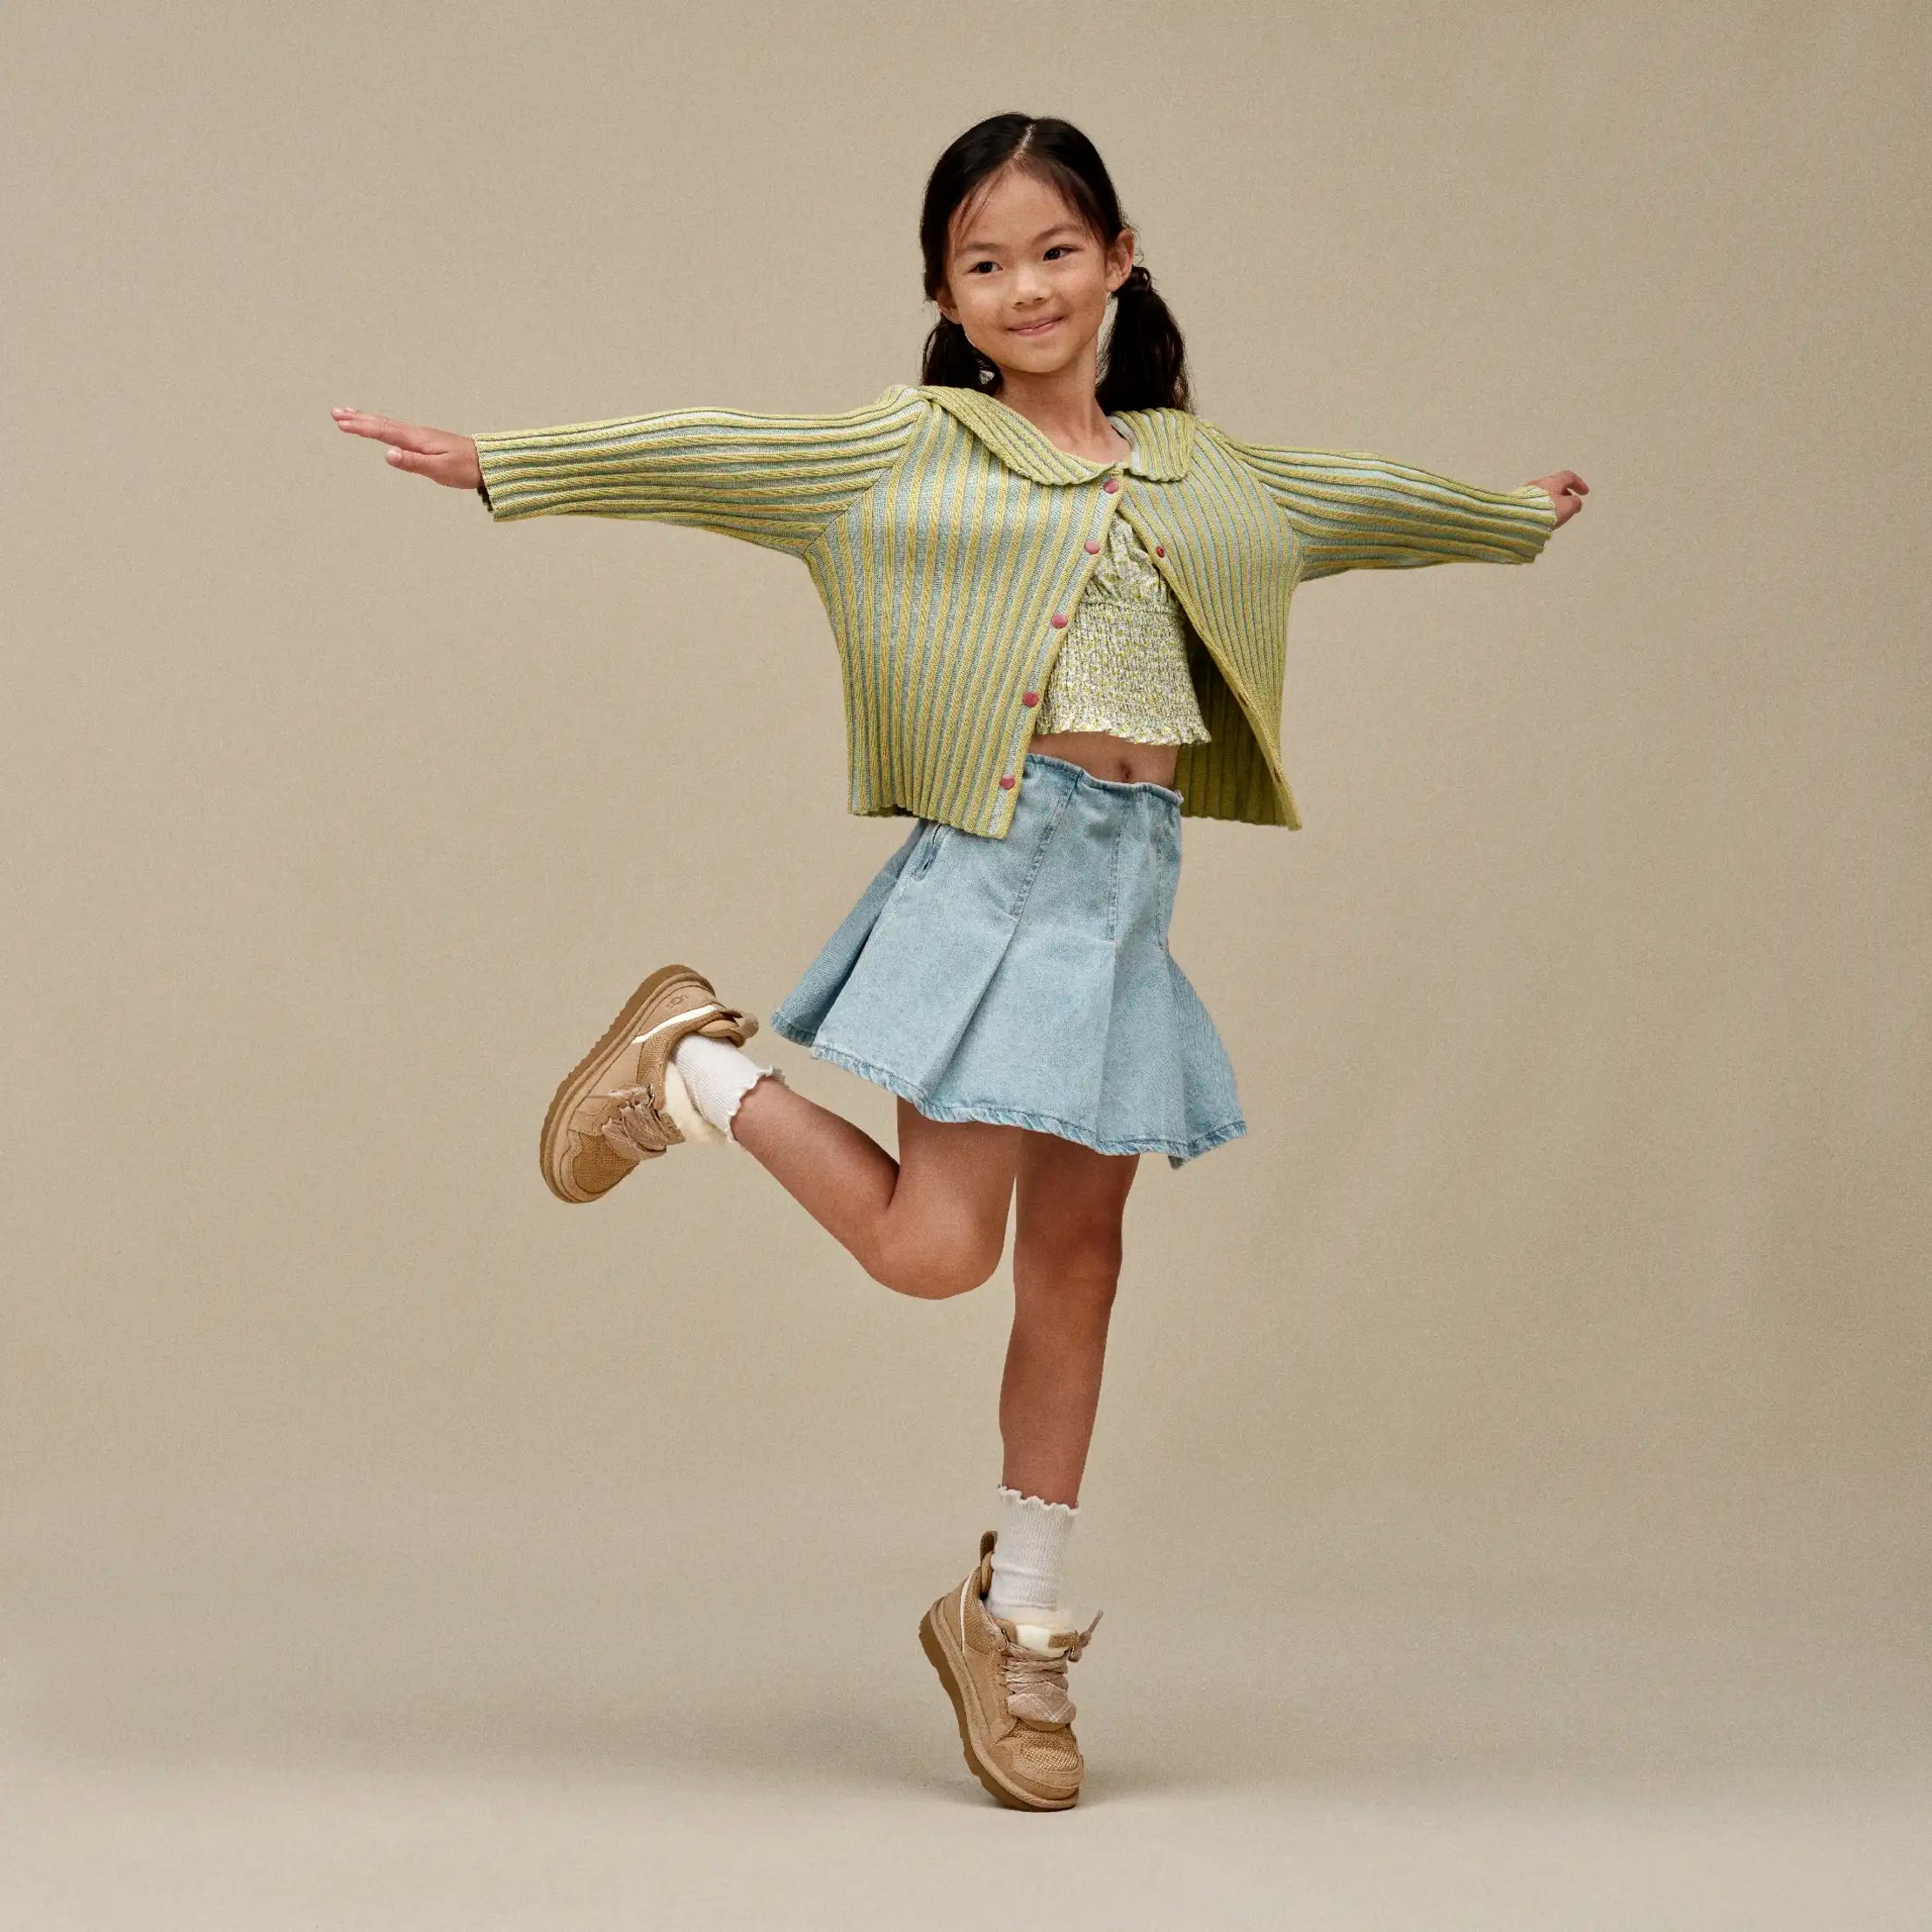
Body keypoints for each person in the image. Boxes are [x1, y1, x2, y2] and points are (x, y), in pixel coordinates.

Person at [332, 111, 1587, 1812]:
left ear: (1120, 259)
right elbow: (724, 458)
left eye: (1056, 250)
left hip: (1127, 904)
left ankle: (1017, 1623)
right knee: (937, 1252)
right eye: (985, 262)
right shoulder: (912, 451)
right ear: (944, 292)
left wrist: (1511, 515)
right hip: (999, 880)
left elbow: (1359, 502)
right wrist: (509, 461)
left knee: (1080, 1268)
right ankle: (692, 1069)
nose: (1026, 286)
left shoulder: (1201, 473)